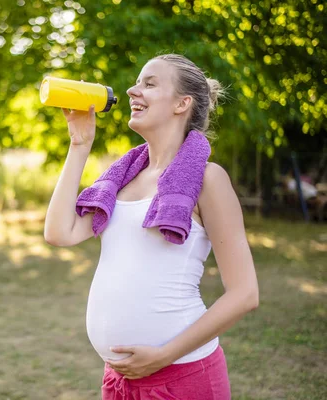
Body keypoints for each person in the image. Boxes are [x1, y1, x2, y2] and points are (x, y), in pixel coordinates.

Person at [44, 54, 259, 399]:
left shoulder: (207, 180)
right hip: (120, 381)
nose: (132, 90)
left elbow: (245, 294)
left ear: (181, 103)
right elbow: (59, 233)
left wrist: (163, 355)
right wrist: (79, 145)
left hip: (182, 376)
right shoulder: (124, 179)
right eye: (136, 82)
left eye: (149, 83)